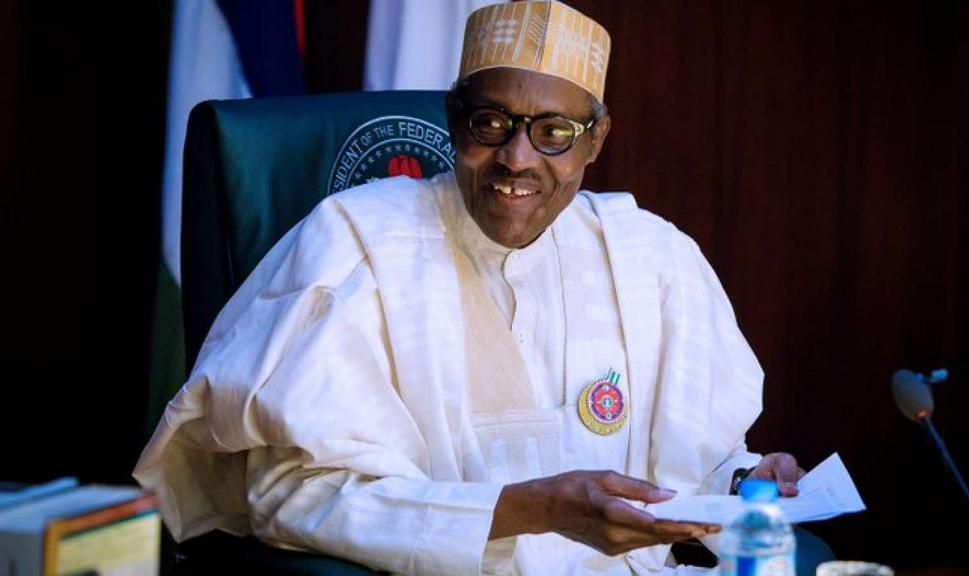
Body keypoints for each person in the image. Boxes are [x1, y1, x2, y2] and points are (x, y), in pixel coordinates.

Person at [136, 2, 826, 574]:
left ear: (595, 141)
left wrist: (743, 484)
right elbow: (291, 495)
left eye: (554, 132)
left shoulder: (652, 258)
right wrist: (532, 509)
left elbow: (692, 467)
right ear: (453, 117)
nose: (517, 159)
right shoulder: (355, 244)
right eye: (491, 123)